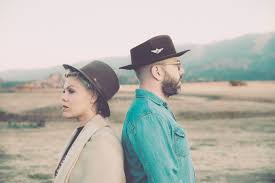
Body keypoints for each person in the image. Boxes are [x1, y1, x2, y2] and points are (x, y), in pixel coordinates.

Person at [119, 35, 196, 183]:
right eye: (177, 65)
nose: (182, 71)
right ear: (157, 72)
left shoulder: (155, 111)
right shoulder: (149, 116)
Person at [54, 60, 126, 183]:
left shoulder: (104, 142)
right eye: (64, 91)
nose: (63, 97)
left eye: (71, 91)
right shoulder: (83, 132)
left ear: (93, 96)